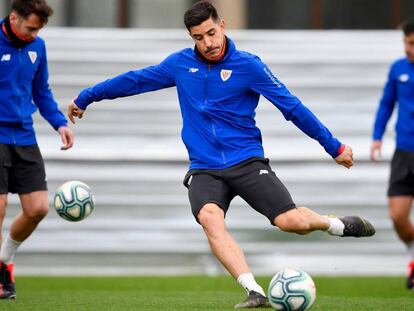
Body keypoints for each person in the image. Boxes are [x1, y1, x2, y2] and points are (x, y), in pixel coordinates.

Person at [68, 1, 375, 308]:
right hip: (205, 168)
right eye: (198, 37)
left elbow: (292, 108)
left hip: (246, 160)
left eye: (211, 33)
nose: (208, 43)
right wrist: (87, 96)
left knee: (290, 221)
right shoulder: (180, 65)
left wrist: (333, 146)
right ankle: (254, 291)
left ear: (223, 26)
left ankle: (334, 225)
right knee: (209, 218)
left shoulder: (249, 66)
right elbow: (134, 80)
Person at [0, 0, 74, 299]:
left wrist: (60, 123)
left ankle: (4, 261)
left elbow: (41, 91)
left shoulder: (37, 47)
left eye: (38, 30)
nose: (33, 34)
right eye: (30, 28)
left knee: (38, 208)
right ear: (13, 18)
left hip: (24, 136)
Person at [371, 18, 414, 290]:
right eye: (407, 43)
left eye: (413, 44)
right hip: (403, 152)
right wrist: (377, 136)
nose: (409, 48)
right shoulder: (398, 69)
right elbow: (387, 104)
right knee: (398, 216)